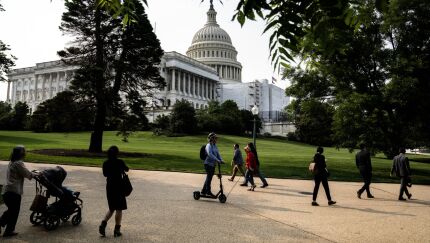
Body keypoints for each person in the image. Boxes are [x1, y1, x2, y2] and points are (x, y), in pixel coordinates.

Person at [0, 145, 37, 237]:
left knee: (11, 211)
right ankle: (8, 231)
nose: (25, 153)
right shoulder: (19, 163)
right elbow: (28, 174)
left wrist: (31, 173)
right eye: (24, 151)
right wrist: (37, 174)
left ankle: (5, 227)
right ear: (21, 153)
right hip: (14, 193)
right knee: (14, 213)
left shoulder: (12, 162)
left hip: (7, 192)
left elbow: (23, 172)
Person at [99, 146, 129, 237]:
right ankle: (117, 229)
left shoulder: (105, 163)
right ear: (117, 153)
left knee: (112, 207)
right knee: (119, 209)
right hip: (119, 187)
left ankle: (103, 224)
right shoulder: (120, 162)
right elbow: (127, 169)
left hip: (110, 187)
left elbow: (105, 174)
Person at [201, 132, 223, 197]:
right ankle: (208, 191)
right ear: (212, 138)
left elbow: (218, 154)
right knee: (209, 177)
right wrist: (217, 160)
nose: (216, 139)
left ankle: (203, 191)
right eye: (215, 138)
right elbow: (210, 154)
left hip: (213, 164)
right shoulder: (208, 145)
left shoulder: (215, 145)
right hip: (207, 164)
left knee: (209, 177)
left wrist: (221, 160)